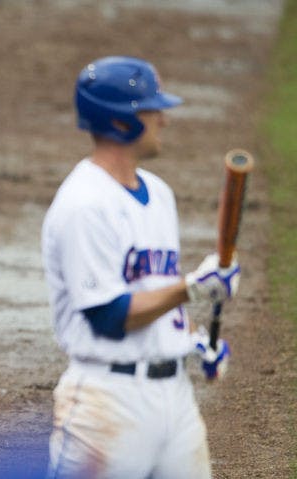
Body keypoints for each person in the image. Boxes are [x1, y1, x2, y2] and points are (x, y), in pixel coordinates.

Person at [41, 56, 239, 479]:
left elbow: (151, 287)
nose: (163, 120)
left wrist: (190, 341)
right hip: (105, 406)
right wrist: (192, 288)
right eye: (152, 110)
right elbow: (109, 316)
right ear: (121, 123)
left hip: (175, 403)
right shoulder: (84, 204)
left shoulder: (160, 195)